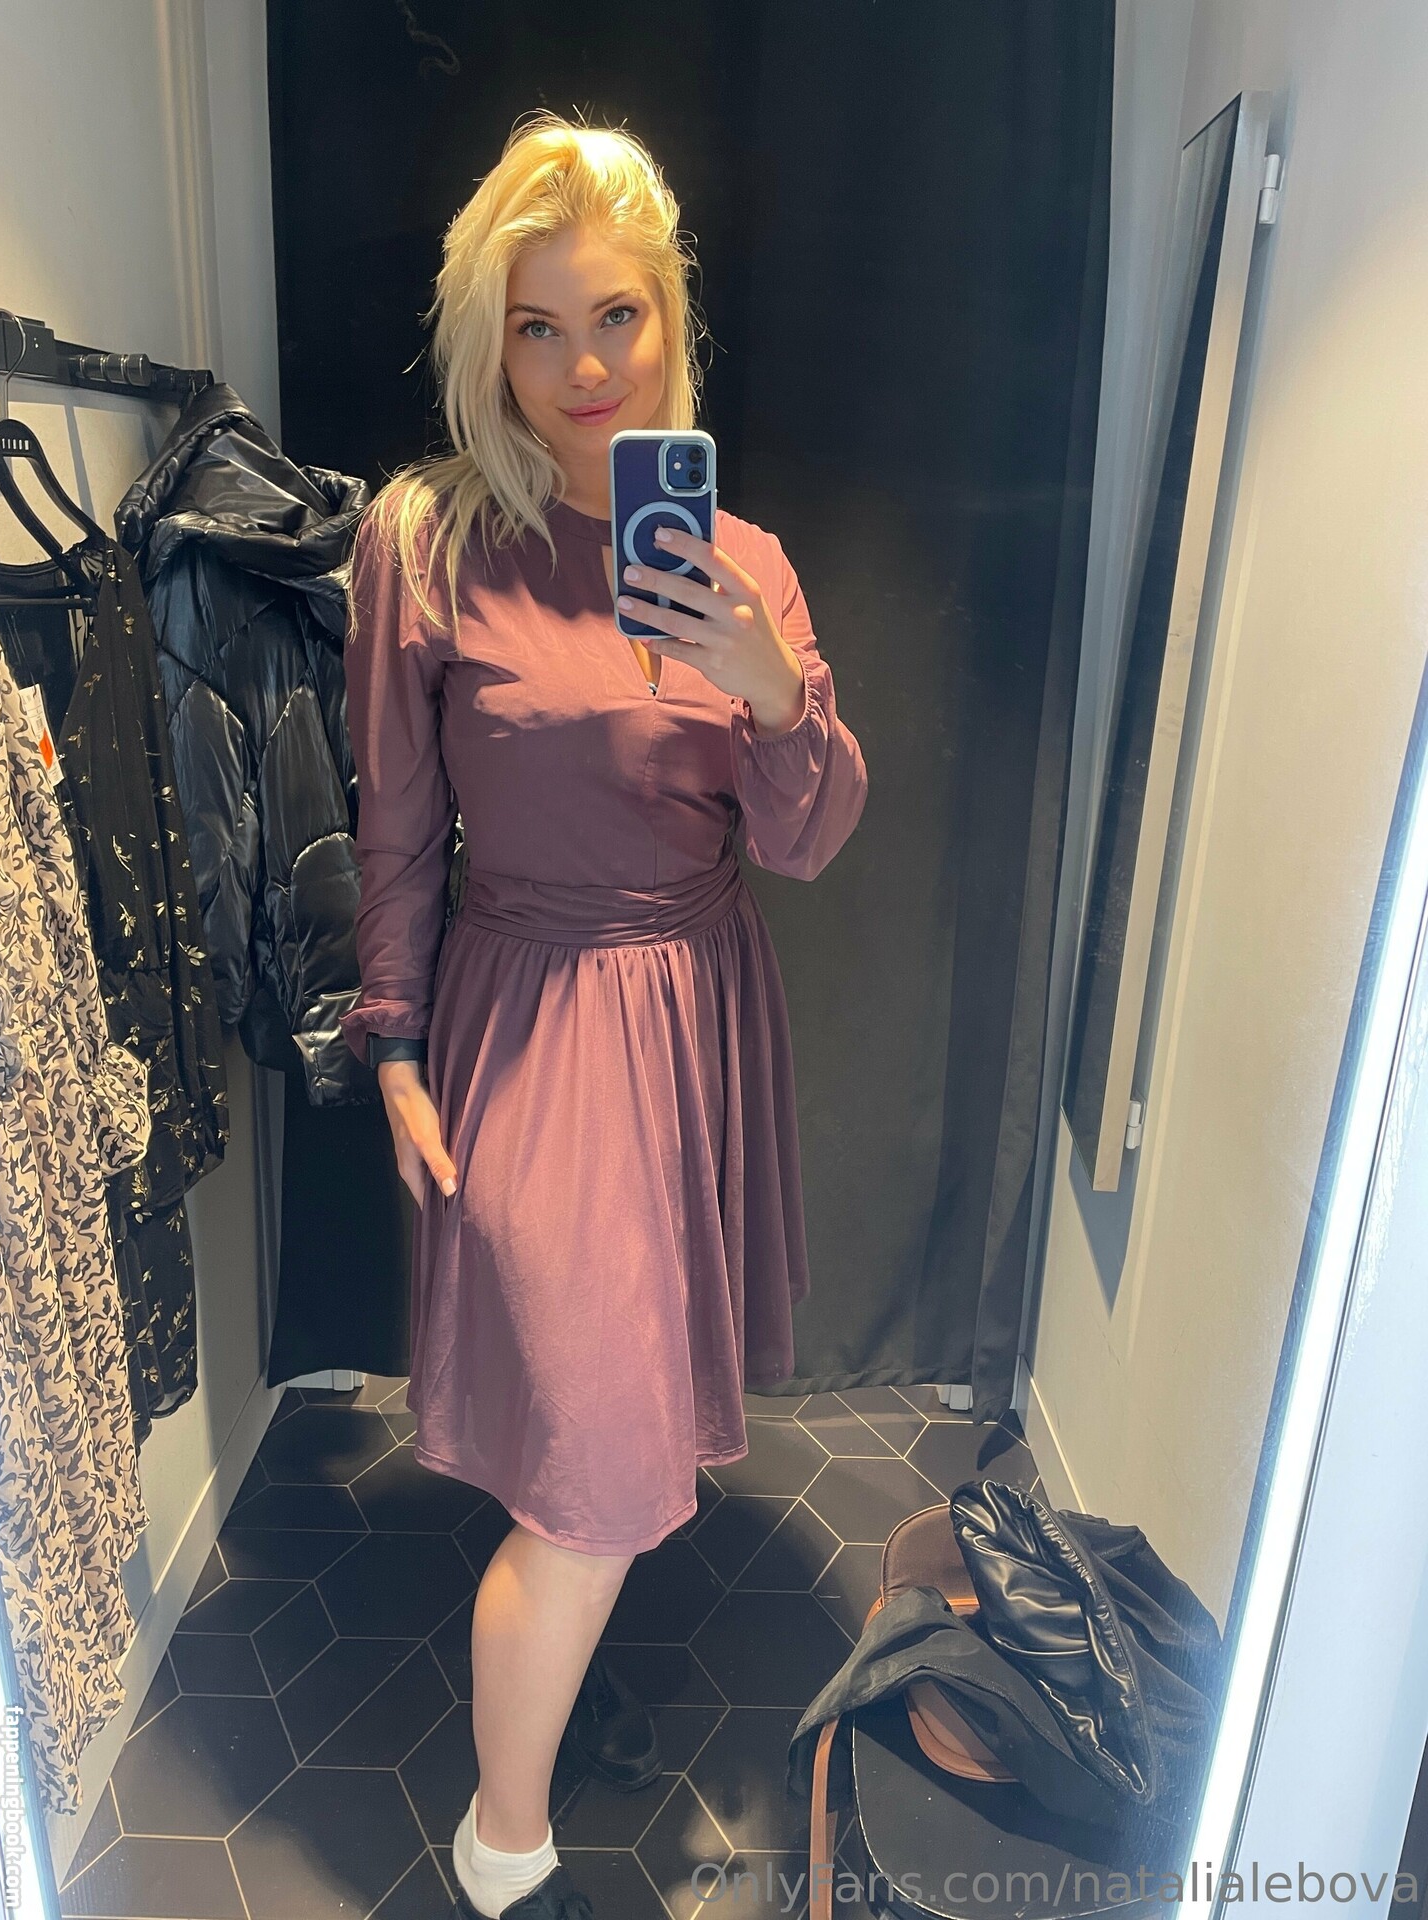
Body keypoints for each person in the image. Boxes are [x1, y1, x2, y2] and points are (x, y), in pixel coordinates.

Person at [340, 109, 868, 1920]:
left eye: (616, 317)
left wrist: (771, 687)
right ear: (491, 341)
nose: (582, 367)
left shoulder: (747, 564)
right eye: (539, 327)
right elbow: (396, 816)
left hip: (696, 1017)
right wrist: (393, 1038)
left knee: (611, 1447)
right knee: (589, 1478)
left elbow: (806, 838)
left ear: (670, 319)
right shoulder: (424, 542)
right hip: (530, 1024)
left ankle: (538, 1744)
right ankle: (505, 1851)